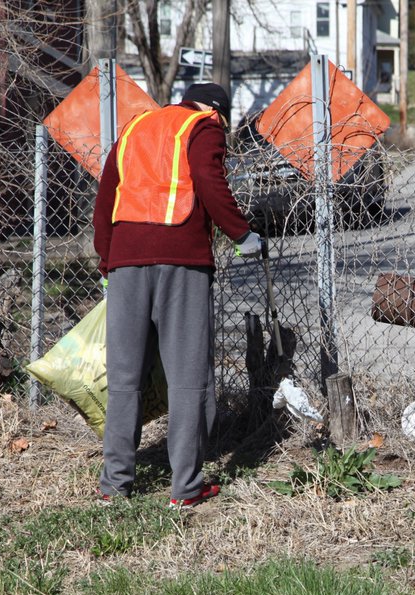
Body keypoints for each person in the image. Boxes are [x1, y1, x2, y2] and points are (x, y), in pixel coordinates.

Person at [93, 82, 262, 509]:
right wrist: (241, 234)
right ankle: (185, 488)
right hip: (182, 262)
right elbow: (208, 177)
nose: (222, 127)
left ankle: (115, 484)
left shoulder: (136, 126)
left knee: (125, 379)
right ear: (217, 110)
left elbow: (106, 196)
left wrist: (106, 261)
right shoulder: (202, 127)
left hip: (126, 263)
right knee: (187, 379)